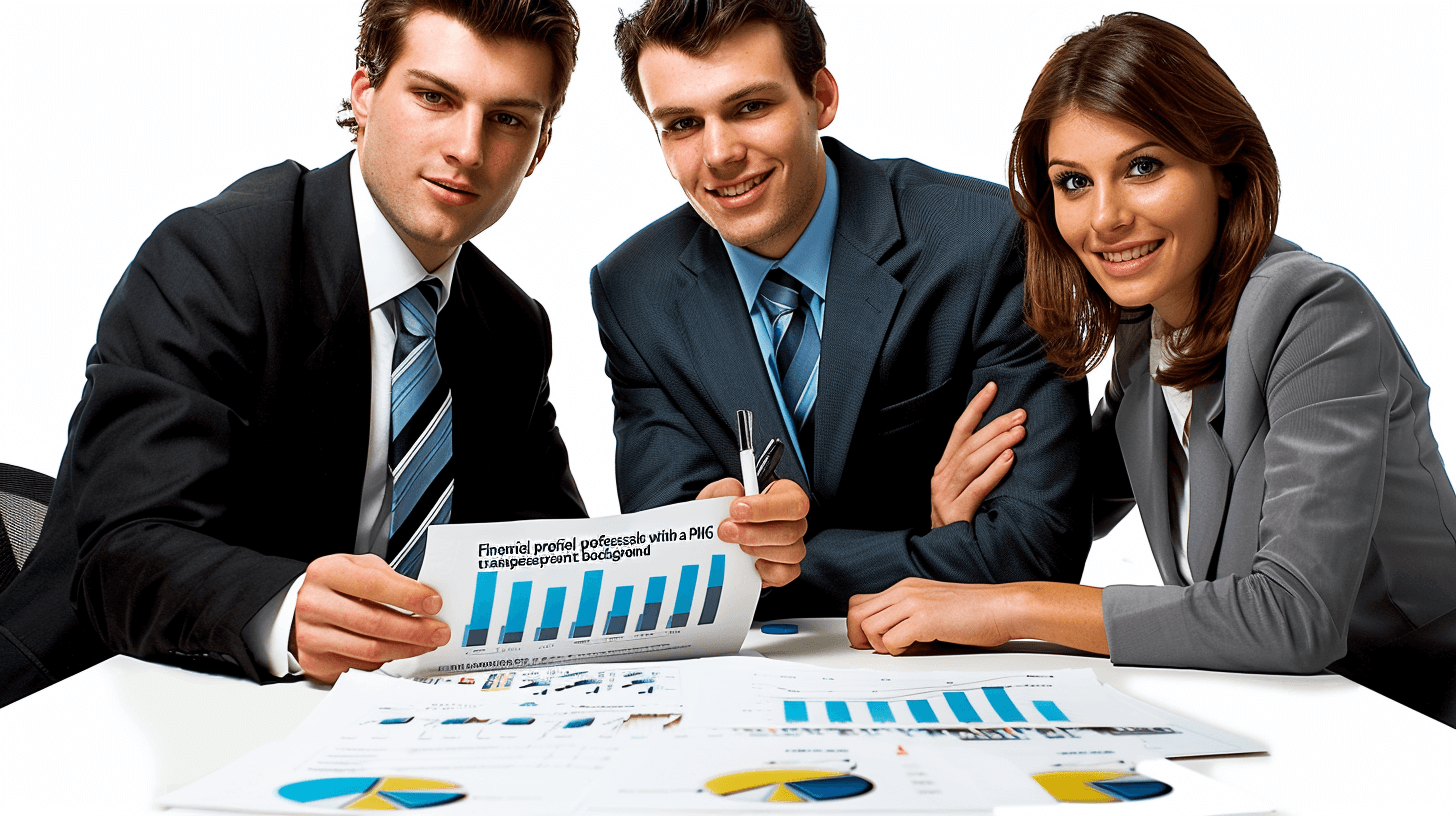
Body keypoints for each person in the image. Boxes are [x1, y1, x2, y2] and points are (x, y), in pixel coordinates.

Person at [847, 12, 1456, 725]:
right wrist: (962, 515)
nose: (1104, 218)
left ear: (1224, 171)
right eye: (1073, 182)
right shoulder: (1147, 332)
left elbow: (1293, 615)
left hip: (1414, 718)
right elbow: (1062, 510)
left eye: (1143, 167)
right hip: (1277, 715)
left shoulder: (1316, 313)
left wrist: (1011, 605)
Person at [0, 0, 594, 705]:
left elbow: (550, 557)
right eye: (434, 97)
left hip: (361, 728)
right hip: (104, 703)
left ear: (541, 146)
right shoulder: (213, 263)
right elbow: (125, 553)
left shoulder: (508, 326)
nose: (467, 147)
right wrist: (286, 608)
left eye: (508, 119)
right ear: (365, 96)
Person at [592, 0, 1091, 619]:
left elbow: (1037, 554)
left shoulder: (988, 240)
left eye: (750, 107)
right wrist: (935, 546)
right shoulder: (634, 290)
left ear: (821, 98)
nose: (718, 153)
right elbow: (674, 576)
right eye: (682, 124)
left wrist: (773, 572)